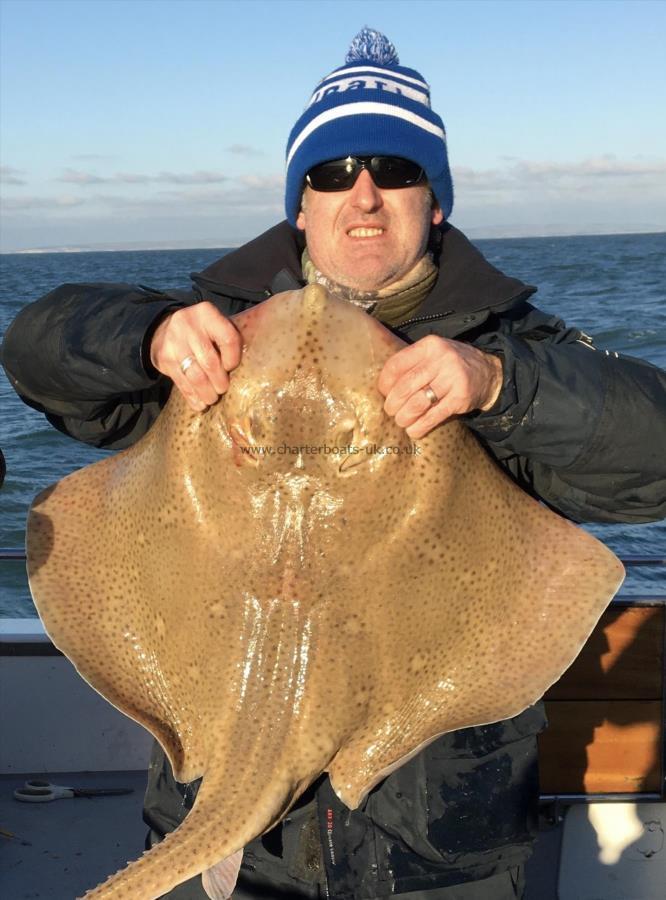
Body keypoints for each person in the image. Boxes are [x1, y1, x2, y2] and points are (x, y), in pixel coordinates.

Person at [2, 27, 666, 900]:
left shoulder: (510, 353)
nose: (363, 194)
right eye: (331, 173)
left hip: (438, 855)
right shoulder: (209, 336)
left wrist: (504, 386)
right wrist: (147, 336)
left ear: (436, 202)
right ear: (299, 206)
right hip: (224, 835)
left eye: (395, 171)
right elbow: (37, 346)